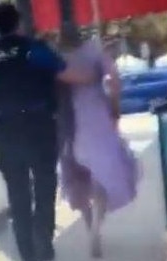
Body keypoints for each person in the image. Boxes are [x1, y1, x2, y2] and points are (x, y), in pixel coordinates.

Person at [0, 3, 96, 261]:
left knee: (18, 195)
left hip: (3, 134)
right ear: (19, 23)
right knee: (45, 189)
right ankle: (43, 248)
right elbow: (70, 75)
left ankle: (27, 253)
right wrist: (94, 72)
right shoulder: (34, 50)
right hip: (37, 129)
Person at [57, 23, 139, 258]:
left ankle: (88, 226)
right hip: (96, 119)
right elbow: (114, 80)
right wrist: (114, 109)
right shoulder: (94, 51)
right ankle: (94, 232)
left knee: (76, 180)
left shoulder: (54, 56)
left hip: (67, 122)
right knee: (100, 179)